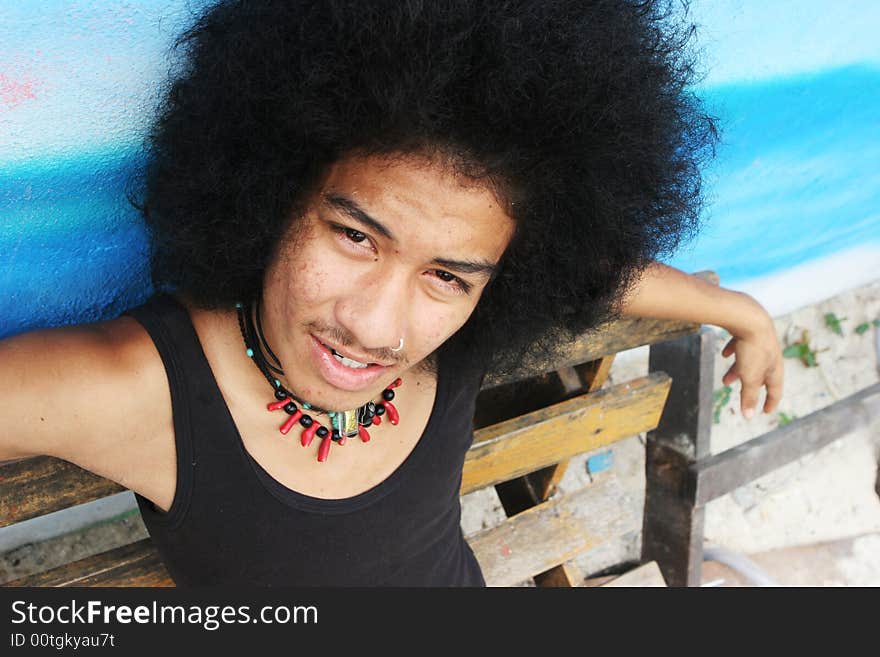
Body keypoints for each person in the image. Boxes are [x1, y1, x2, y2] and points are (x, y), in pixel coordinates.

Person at [0, 0, 783, 586]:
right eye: (353, 236)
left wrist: (741, 314)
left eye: (446, 275)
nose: (375, 327)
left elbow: (602, 280)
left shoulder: (471, 328)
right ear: (271, 192)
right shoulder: (145, 391)